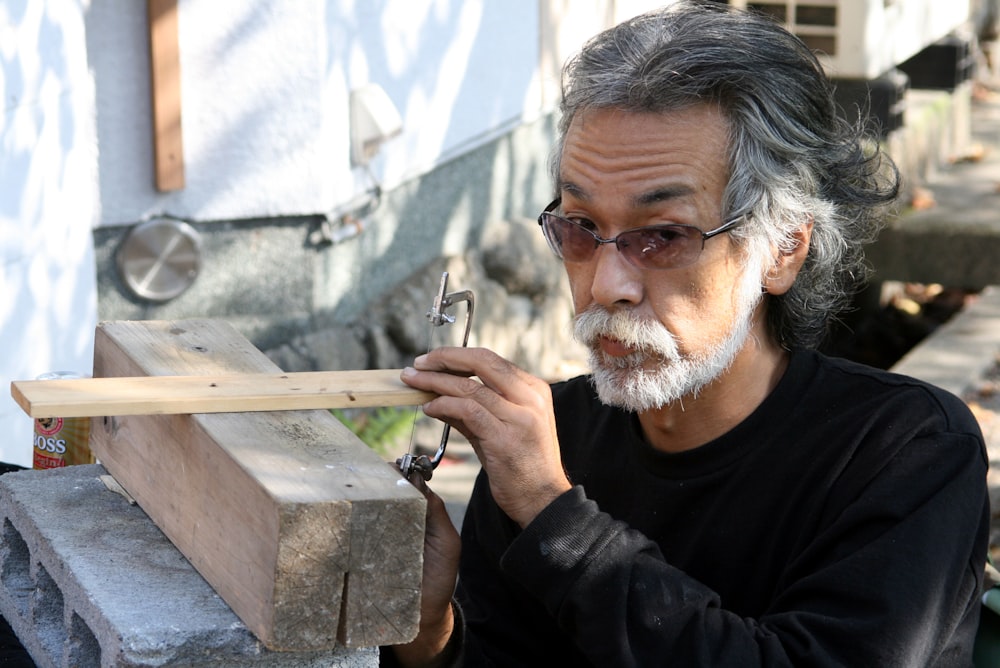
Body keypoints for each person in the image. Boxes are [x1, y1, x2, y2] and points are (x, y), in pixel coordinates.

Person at [386, 1, 990, 665]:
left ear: (784, 247)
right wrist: (428, 630)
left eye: (665, 236)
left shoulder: (905, 451)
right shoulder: (552, 438)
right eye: (581, 227)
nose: (607, 283)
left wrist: (554, 515)